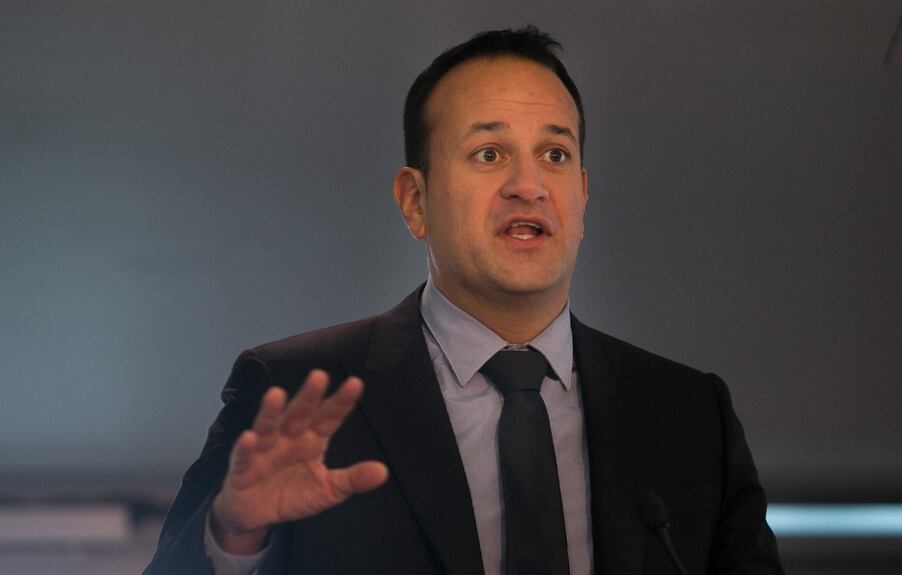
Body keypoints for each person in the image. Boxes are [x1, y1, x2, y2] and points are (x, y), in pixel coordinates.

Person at [144, 26, 783, 575]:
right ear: (414, 201)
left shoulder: (689, 416)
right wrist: (233, 538)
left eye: (554, 155)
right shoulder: (290, 394)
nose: (528, 186)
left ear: (583, 197)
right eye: (489, 153)